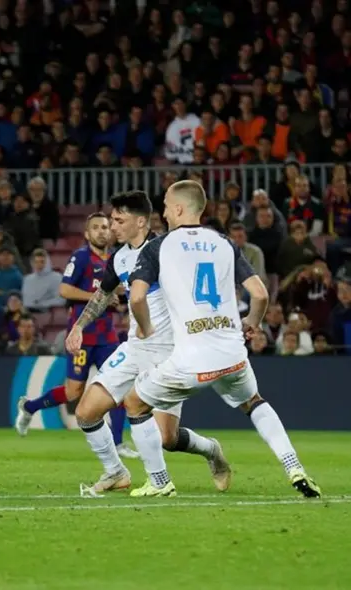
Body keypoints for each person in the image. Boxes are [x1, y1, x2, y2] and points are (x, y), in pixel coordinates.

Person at [124, 180, 320, 498]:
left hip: (189, 360)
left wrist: (145, 327)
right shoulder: (224, 242)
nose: (162, 211)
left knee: (134, 403)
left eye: (165, 205)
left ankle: (159, 481)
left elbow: (136, 299)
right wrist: (252, 323)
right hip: (232, 354)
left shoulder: (157, 247)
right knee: (255, 403)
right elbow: (258, 293)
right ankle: (293, 466)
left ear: (178, 208)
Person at [66, 191, 230, 494]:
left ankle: (209, 451)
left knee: (167, 438)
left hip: (170, 353)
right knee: (86, 412)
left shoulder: (169, 250)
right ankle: (116, 472)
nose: (112, 226)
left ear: (140, 221)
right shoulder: (120, 257)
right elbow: (103, 295)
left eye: (119, 220)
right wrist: (79, 326)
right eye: (112, 220)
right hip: (135, 347)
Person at [15, 213, 135, 459]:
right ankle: (29, 407)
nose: (102, 231)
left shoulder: (117, 259)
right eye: (96, 228)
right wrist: (99, 297)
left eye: (105, 227)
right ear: (87, 234)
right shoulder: (80, 258)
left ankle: (119, 443)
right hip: (81, 335)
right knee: (72, 392)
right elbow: (64, 289)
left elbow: (122, 290)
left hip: (107, 336)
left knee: (118, 384)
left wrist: (119, 295)